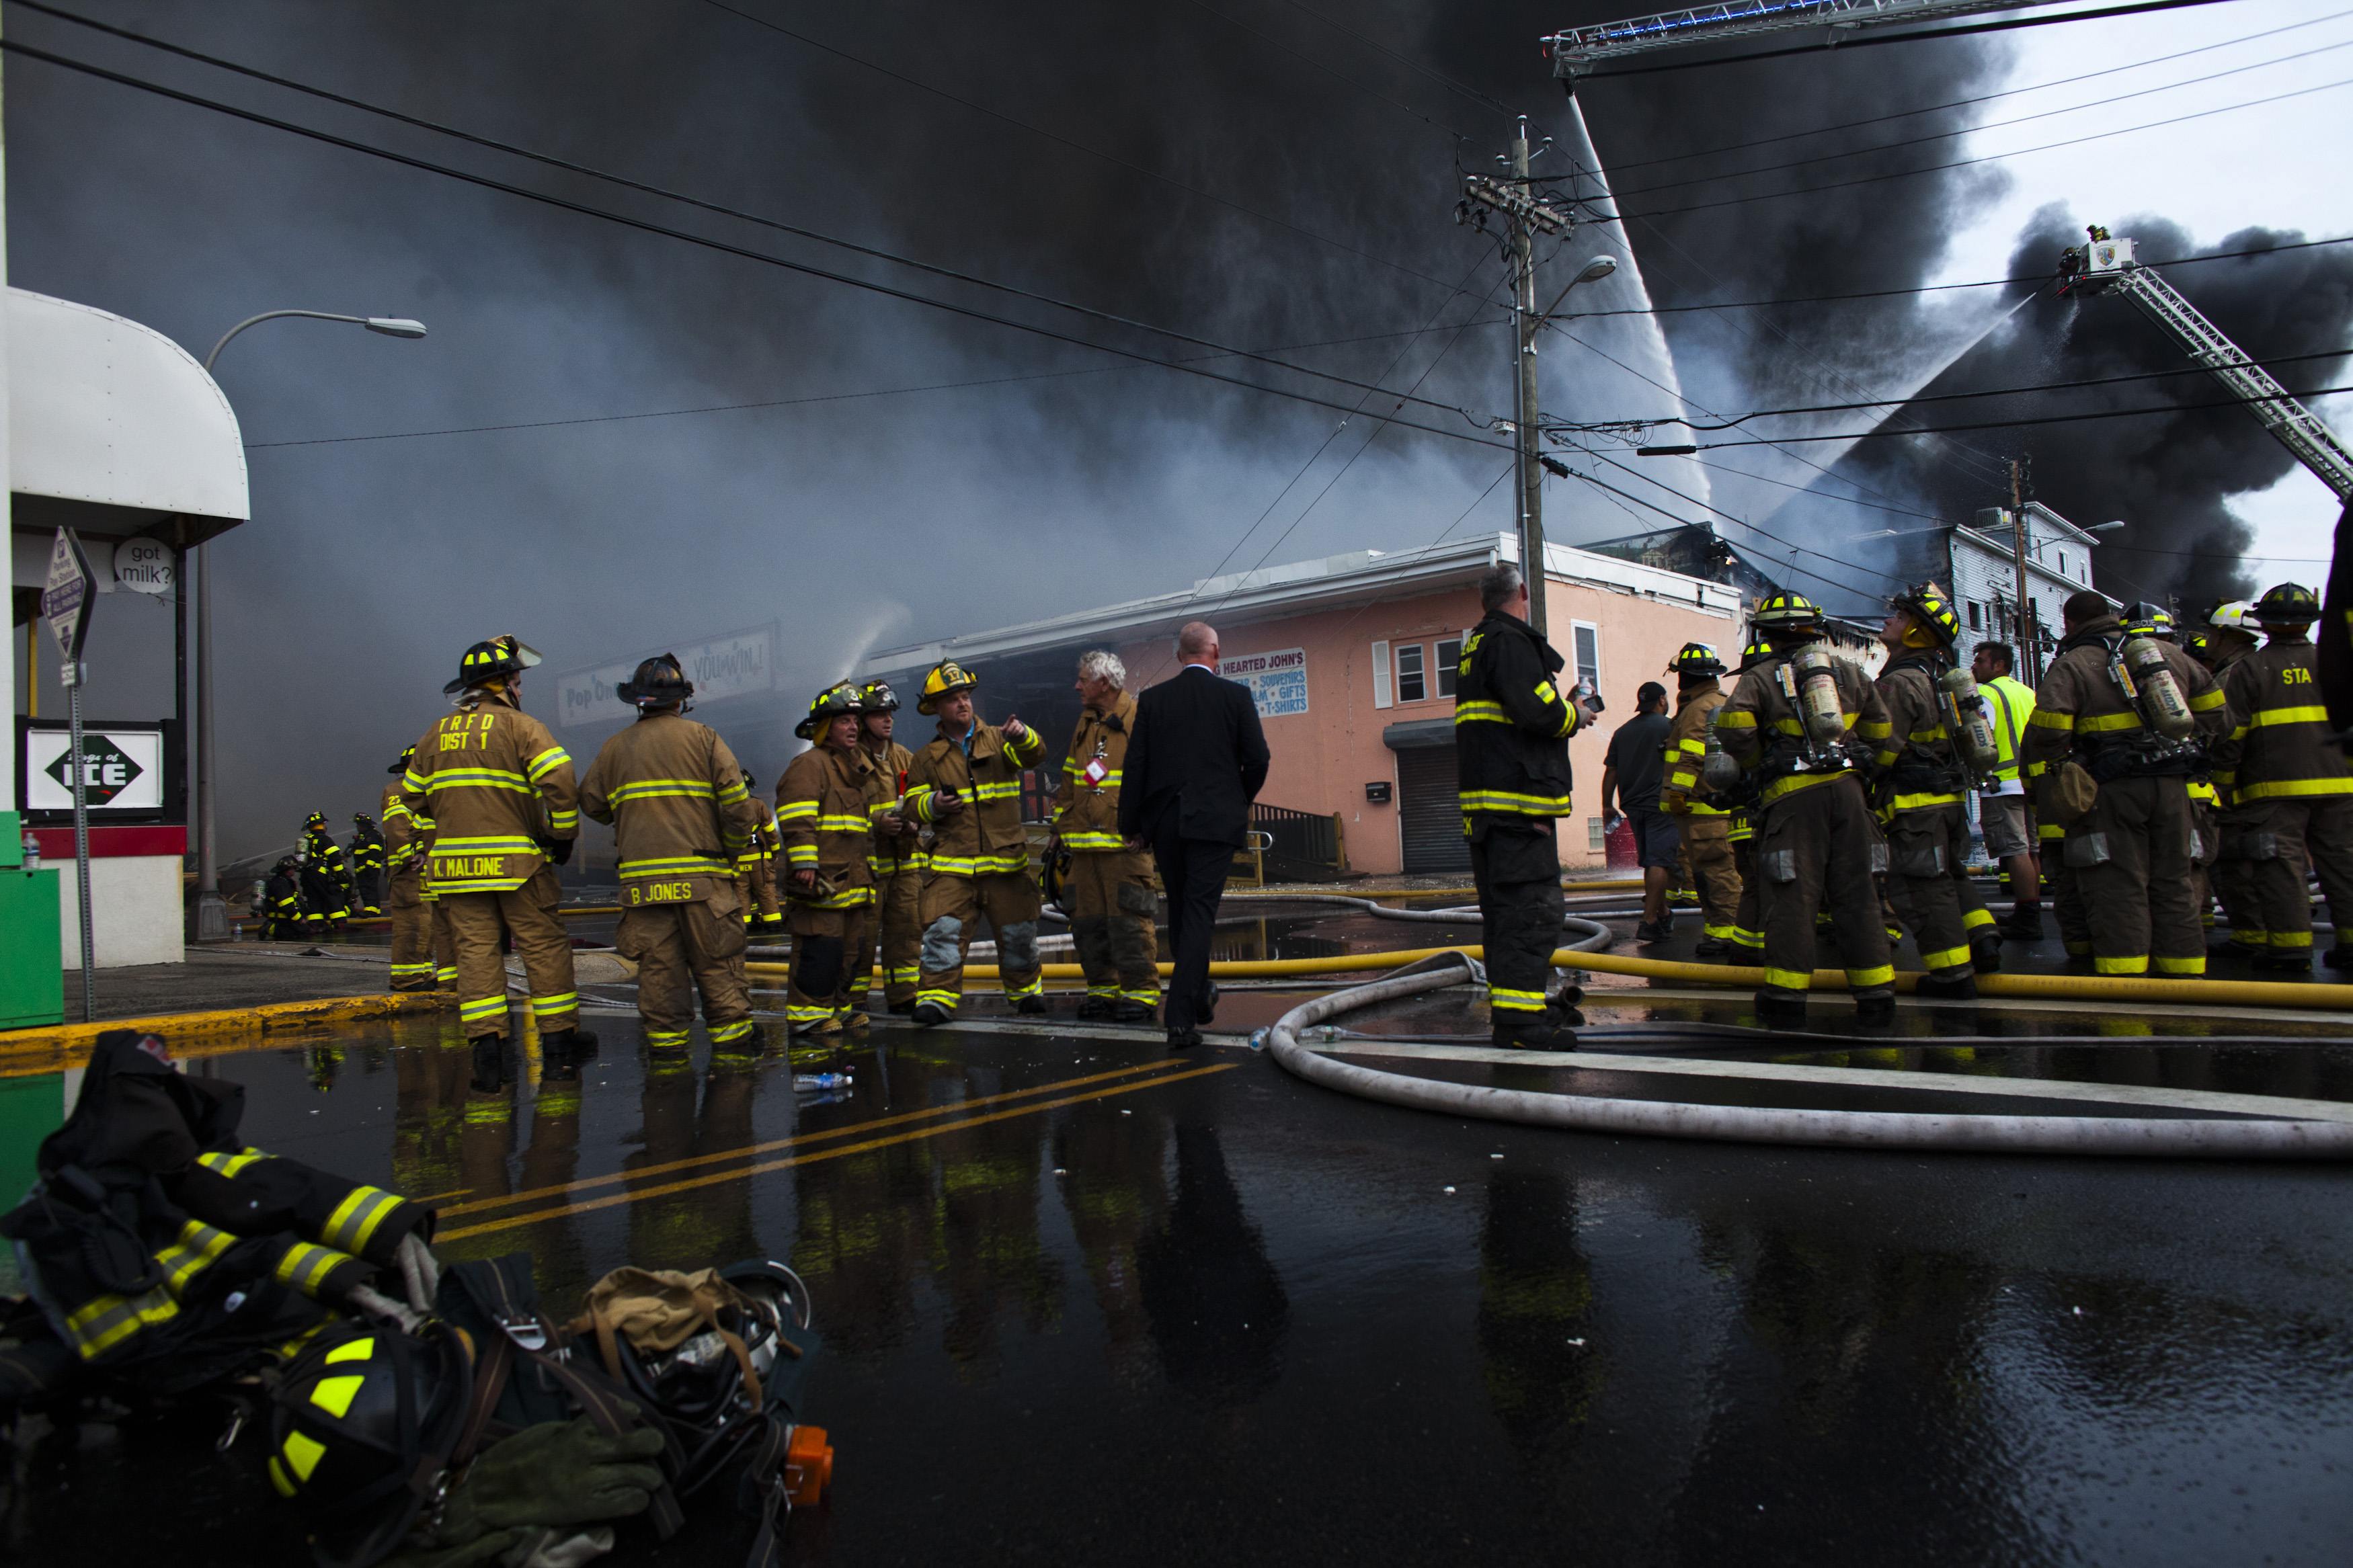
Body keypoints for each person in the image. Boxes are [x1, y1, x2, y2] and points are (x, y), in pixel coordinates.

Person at [2020, 589, 2228, 977]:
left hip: (2111, 792)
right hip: (2172, 787)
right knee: (2175, 878)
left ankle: (2125, 975)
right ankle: (2184, 971)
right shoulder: (2167, 656)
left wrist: (2070, 762)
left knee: (2118, 882)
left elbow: (2047, 732)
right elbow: (2218, 714)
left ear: (2069, 623)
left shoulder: (2073, 665)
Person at [402, 634, 592, 1055]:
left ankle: (488, 1051)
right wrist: (561, 836)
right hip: (517, 869)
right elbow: (559, 780)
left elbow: (411, 798)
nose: (521, 691)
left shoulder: (434, 736)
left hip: (456, 873)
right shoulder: (521, 726)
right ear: (501, 683)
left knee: (475, 954)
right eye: (518, 682)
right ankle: (560, 1044)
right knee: (542, 947)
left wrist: (452, 821)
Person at [1716, 591, 1897, 1025]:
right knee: (1859, 895)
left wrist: (1762, 762)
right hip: (1852, 798)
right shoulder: (1852, 673)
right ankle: (1876, 996)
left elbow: (1733, 726)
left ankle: (1786, 998)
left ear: (1771, 634)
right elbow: (1884, 735)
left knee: (1793, 897)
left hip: (1794, 801)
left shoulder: (1761, 676)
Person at [579, 653, 761, 1051]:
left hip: (644, 890)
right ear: (681, 700)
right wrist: (730, 855)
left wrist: (631, 816)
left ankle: (667, 1070)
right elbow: (737, 808)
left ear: (637, 702)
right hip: (704, 885)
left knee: (660, 981)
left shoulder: (613, 749)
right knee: (720, 971)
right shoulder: (705, 739)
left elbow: (592, 802)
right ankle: (734, 1063)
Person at [1446, 569, 1593, 1049]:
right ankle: (1520, 1024)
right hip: (1517, 811)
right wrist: (1578, 713)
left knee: (1507, 916)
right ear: (1523, 595)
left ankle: (1521, 1004)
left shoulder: (1477, 646)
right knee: (1531, 913)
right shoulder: (1509, 641)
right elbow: (1541, 713)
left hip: (1493, 813)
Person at [1120, 621, 1271, 1050]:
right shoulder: (1236, 697)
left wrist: (1132, 825)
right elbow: (1258, 758)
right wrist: (1236, 798)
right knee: (1200, 914)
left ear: (1179, 654)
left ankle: (1199, 994)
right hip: (1216, 823)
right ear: (1216, 653)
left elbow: (1137, 767)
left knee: (1184, 912)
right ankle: (1181, 1018)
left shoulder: (1151, 701)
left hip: (1167, 823)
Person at [2211, 583, 2353, 973]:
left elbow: (2231, 735)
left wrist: (2222, 782)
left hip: (2274, 792)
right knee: (2344, 865)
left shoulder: (2250, 670)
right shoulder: (2338, 662)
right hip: (2341, 785)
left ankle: (2290, 952)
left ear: (2266, 625)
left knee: (2281, 869)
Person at [903, 661, 1048, 1026]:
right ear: (937, 708)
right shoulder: (925, 759)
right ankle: (937, 999)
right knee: (943, 934)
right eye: (953, 700)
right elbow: (912, 806)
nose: (962, 704)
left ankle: (1026, 994)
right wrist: (934, 804)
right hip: (954, 866)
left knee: (1019, 935)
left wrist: (1023, 735)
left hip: (1005, 864)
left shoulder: (1002, 739)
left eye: (966, 697)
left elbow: (1034, 755)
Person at [1872, 581, 1999, 998]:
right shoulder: (1943, 678)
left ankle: (1951, 975)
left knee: (1919, 890)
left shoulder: (1900, 683)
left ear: (1914, 633)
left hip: (1913, 807)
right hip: (1948, 803)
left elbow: (1882, 752)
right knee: (1949, 875)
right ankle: (1983, 938)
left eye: (1902, 616)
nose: (1891, 619)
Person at [1053, 650, 1161, 1023]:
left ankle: (1141, 992)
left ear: (1104, 683)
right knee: (1089, 926)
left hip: (1124, 850)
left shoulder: (1140, 718)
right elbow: (1070, 780)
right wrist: (1063, 827)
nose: (1077, 686)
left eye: (1083, 679)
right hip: (1083, 852)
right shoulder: (1085, 723)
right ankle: (1102, 990)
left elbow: (1157, 780)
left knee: (1129, 923)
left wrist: (1146, 829)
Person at [775, 683, 880, 1034]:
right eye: (843, 721)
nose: (853, 727)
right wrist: (805, 863)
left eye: (855, 720)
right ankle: (809, 1016)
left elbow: (861, 832)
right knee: (820, 951)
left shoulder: (854, 771)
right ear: (824, 728)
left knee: (850, 954)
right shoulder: (809, 765)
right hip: (822, 884)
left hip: (854, 883)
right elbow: (796, 820)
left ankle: (841, 1009)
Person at [1658, 645, 1744, 956]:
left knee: (1716, 873)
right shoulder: (1718, 702)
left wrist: (1678, 793)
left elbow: (1693, 754)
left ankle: (1726, 934)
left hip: (1701, 809)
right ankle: (1718, 931)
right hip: (1710, 806)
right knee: (1712, 874)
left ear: (1685, 677)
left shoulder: (1698, 709)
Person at [2202, 600, 2268, 954]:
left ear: (2227, 636)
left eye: (2212, 632)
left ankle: (2252, 936)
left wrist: (2221, 783)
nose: (2207, 638)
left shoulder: (2232, 675)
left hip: (2240, 786)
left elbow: (2225, 734)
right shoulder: (2254, 666)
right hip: (2262, 782)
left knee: (2232, 860)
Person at [856, 681, 923, 1014]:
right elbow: (840, 813)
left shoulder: (904, 758)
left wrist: (915, 822)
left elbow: (920, 801)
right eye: (879, 714)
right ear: (861, 719)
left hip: (906, 864)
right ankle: (854, 1000)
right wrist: (877, 822)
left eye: (890, 714)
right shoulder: (849, 761)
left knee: (907, 933)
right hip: (868, 868)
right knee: (862, 939)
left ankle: (904, 996)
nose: (888, 720)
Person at [1970, 642, 2044, 942]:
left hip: (2002, 783)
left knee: (2014, 851)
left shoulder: (1987, 694)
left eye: (1980, 661)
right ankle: (2029, 911)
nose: (1974, 667)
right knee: (2031, 849)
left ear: (1999, 665)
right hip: (2030, 781)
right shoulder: (2028, 692)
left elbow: (1980, 736)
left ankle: (2028, 918)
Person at [1600, 682, 1677, 944]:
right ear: (1662, 700)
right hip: (1660, 805)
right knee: (1659, 861)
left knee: (1650, 860)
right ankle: (1649, 921)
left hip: (1632, 805)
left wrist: (1607, 805)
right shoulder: (1669, 727)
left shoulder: (1623, 732)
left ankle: (1663, 911)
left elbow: (1612, 771)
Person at [381, 748, 436, 991]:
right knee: (412, 924)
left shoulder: (422, 791)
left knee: (427, 925)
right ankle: (406, 978)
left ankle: (422, 974)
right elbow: (397, 829)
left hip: (425, 871)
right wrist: (412, 855)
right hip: (410, 872)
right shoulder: (397, 792)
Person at [735, 772, 785, 934]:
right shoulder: (758, 805)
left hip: (739, 861)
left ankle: (745, 924)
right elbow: (770, 831)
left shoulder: (728, 809)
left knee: (741, 893)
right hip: (760, 860)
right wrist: (775, 851)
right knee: (766, 891)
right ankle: (772, 924)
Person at [298, 811, 350, 936]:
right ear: (322, 825)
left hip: (307, 876)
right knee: (333, 896)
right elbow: (334, 857)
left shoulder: (305, 840)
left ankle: (316, 926)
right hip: (321, 874)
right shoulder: (325, 839)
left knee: (314, 900)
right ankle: (339, 924)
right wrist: (340, 873)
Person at [348, 811, 387, 917]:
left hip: (370, 868)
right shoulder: (363, 836)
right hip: (363, 869)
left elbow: (374, 852)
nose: (357, 827)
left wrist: (369, 866)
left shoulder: (373, 835)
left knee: (370, 889)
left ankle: (372, 911)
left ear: (364, 825)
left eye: (358, 825)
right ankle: (370, 910)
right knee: (365, 890)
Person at [260, 854, 306, 939]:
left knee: (304, 931)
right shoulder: (281, 884)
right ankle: (269, 929)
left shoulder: (282, 881)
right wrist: (299, 919)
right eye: (293, 868)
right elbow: (286, 905)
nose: (294, 871)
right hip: (282, 921)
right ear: (287, 870)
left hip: (286, 919)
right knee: (301, 933)